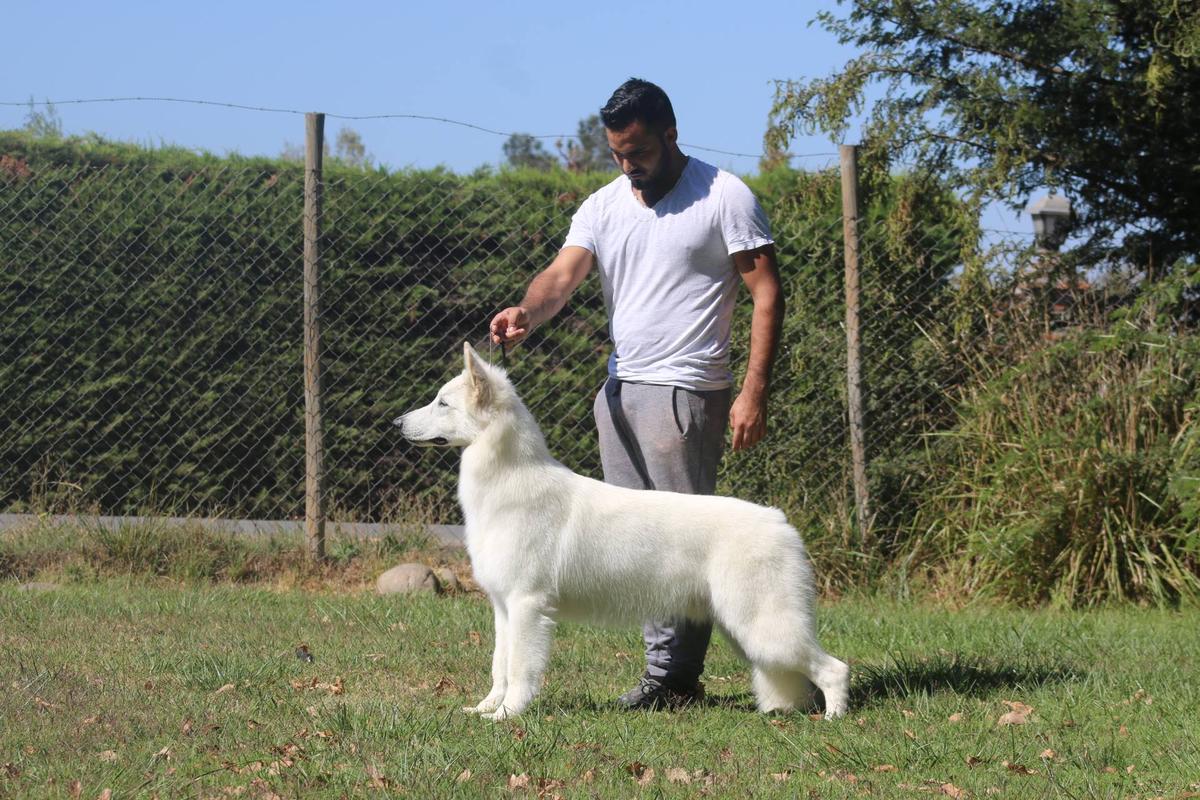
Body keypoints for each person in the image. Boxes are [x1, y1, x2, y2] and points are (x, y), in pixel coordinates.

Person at [489, 78, 783, 710]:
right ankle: (664, 677)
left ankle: (677, 680)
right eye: (618, 154)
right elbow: (563, 275)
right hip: (620, 392)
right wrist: (527, 312)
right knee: (637, 544)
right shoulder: (604, 205)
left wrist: (753, 390)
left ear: (671, 134)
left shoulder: (723, 196)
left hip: (687, 391)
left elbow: (766, 292)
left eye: (639, 152)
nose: (629, 166)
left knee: (686, 540)